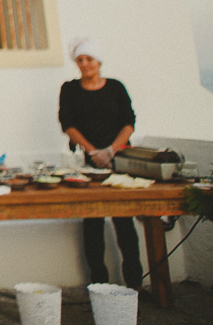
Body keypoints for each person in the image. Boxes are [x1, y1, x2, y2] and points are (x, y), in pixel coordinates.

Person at [58, 37, 141, 288]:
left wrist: (111, 150)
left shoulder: (115, 88)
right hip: (89, 165)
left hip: (118, 163)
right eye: (80, 60)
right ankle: (99, 285)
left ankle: (135, 284)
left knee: (124, 223)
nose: (85, 64)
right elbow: (67, 123)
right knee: (92, 223)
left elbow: (129, 121)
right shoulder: (70, 89)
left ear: (99, 62)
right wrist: (94, 152)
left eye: (89, 59)